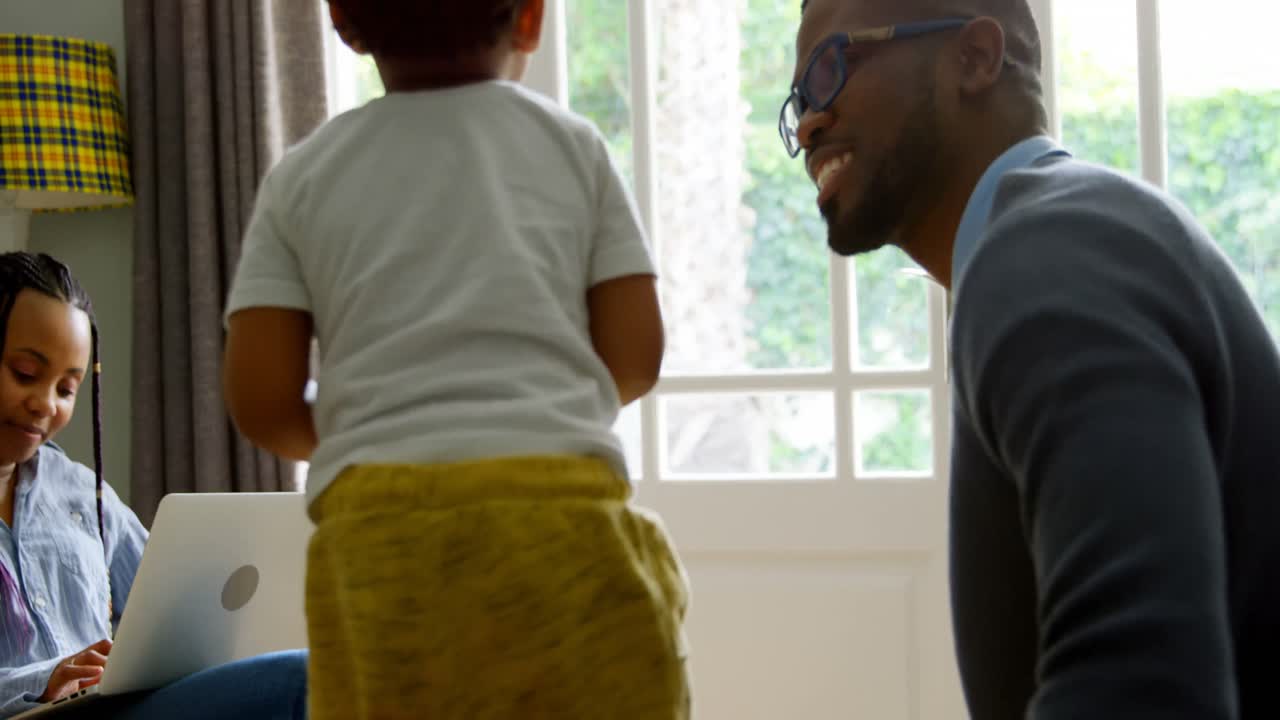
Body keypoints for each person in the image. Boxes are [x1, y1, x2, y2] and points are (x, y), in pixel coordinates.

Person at [787, 1, 1280, 717]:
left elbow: (1140, 687)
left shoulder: (1045, 251)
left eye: (830, 68)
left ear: (976, 59)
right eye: (798, 101)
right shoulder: (1062, 232)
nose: (808, 124)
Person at [221, 1, 688, 718]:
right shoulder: (572, 146)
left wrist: (379, 428)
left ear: (344, 21)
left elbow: (260, 399)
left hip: (383, 547)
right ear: (530, 17)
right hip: (563, 526)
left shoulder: (301, 177)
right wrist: (536, 409)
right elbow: (636, 354)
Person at [0, 252, 308, 720]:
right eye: (25, 373)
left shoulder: (82, 493)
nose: (45, 404)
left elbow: (173, 610)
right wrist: (45, 679)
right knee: (296, 684)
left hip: (107, 708)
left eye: (67, 388)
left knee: (310, 669)